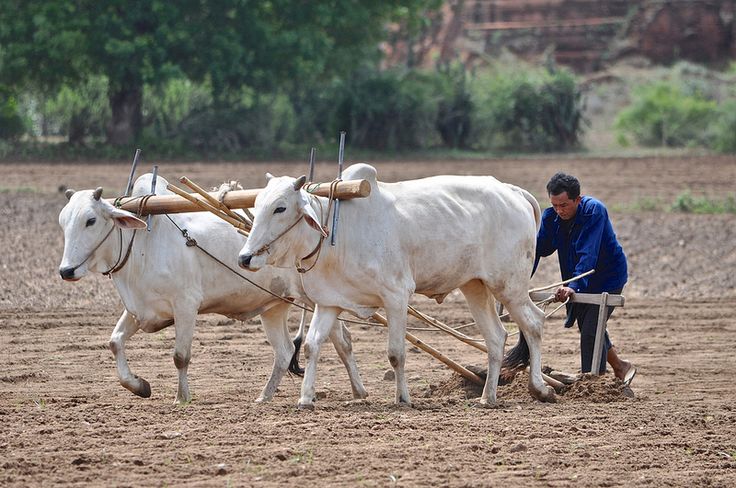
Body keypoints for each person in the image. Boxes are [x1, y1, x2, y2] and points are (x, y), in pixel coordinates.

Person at [534, 172, 636, 384]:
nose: (559, 211)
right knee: (591, 325)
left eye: (564, 205)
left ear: (577, 200)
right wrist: (518, 281)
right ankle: (620, 366)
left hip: (607, 277)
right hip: (578, 277)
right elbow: (538, 249)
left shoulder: (593, 211)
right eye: (554, 205)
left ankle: (592, 383)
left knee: (590, 329)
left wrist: (575, 286)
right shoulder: (551, 216)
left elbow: (588, 253)